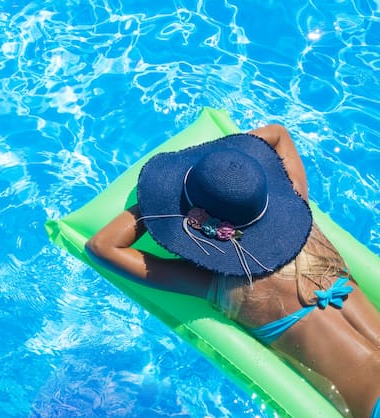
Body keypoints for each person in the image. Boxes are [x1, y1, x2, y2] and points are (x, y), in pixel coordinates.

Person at [85, 124, 380, 418]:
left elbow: (101, 247)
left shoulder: (221, 283)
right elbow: (278, 134)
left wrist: (161, 201)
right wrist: (232, 173)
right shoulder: (302, 215)